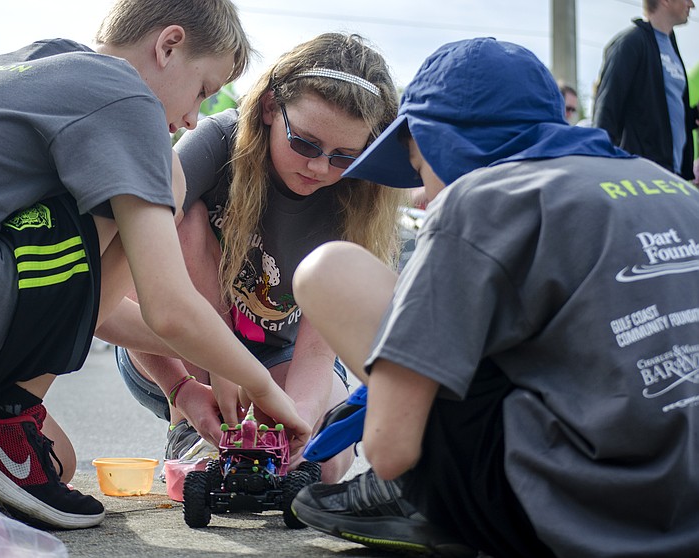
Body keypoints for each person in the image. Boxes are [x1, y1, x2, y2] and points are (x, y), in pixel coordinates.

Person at [0, 0, 312, 531]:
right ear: (169, 45)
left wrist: (202, 374)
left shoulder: (22, 68)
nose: (192, 119)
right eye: (203, 90)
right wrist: (261, 385)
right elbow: (167, 306)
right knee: (167, 176)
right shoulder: (125, 95)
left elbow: (80, 305)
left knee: (57, 460)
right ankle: (5, 417)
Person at [289, 37, 699, 558]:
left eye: (419, 167)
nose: (421, 196)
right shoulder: (670, 186)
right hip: (686, 510)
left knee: (330, 268)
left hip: (578, 515)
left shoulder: (481, 197)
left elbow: (389, 451)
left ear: (446, 143)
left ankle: (425, 506)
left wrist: (399, 389)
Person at [106, 33, 403, 482]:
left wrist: (298, 424)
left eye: (345, 156)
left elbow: (317, 354)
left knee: (322, 465)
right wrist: (184, 387)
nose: (320, 168)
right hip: (180, 355)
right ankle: (187, 427)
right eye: (304, 143)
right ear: (269, 108)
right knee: (180, 221)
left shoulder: (356, 197)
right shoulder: (217, 142)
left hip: (280, 357)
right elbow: (125, 278)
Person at [592, 0, 698, 180]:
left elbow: (659, 112)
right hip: (641, 176)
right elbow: (606, 112)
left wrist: (692, 116)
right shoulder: (630, 43)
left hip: (673, 175)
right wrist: (603, 171)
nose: (692, 4)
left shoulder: (671, 45)